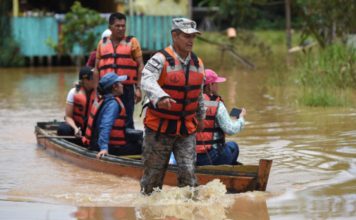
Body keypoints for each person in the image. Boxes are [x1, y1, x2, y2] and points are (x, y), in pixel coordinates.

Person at [140, 18, 206, 195]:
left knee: (189, 176)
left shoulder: (198, 63)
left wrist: (201, 117)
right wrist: (160, 95)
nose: (191, 40)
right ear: (175, 36)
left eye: (193, 36)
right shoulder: (159, 59)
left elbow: (198, 94)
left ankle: (189, 211)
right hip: (159, 129)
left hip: (186, 129)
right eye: (186, 36)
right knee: (152, 181)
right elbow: (146, 79)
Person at [94, 12, 144, 129]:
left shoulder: (133, 42)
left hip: (125, 88)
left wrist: (138, 88)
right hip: (106, 89)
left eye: (123, 26)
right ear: (110, 27)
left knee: (127, 119)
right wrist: (96, 90)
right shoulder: (102, 43)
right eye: (118, 26)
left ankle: (128, 145)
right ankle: (106, 144)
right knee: (106, 118)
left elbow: (140, 65)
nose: (121, 28)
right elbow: (96, 69)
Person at [82, 72, 142, 158]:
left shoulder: (103, 99)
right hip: (109, 147)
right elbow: (105, 125)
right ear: (114, 87)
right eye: (120, 83)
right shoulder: (112, 104)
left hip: (95, 143)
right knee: (141, 146)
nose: (122, 85)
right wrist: (104, 148)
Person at [196, 69, 246, 166]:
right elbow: (230, 129)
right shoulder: (217, 104)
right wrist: (241, 118)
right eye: (216, 83)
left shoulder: (190, 100)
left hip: (189, 155)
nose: (218, 86)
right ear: (210, 86)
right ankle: (225, 170)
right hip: (209, 157)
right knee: (233, 146)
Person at [57, 67, 96, 140]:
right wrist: (75, 128)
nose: (95, 80)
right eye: (92, 78)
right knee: (63, 129)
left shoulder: (98, 93)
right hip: (76, 126)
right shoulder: (73, 92)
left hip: (90, 128)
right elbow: (68, 117)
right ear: (85, 80)